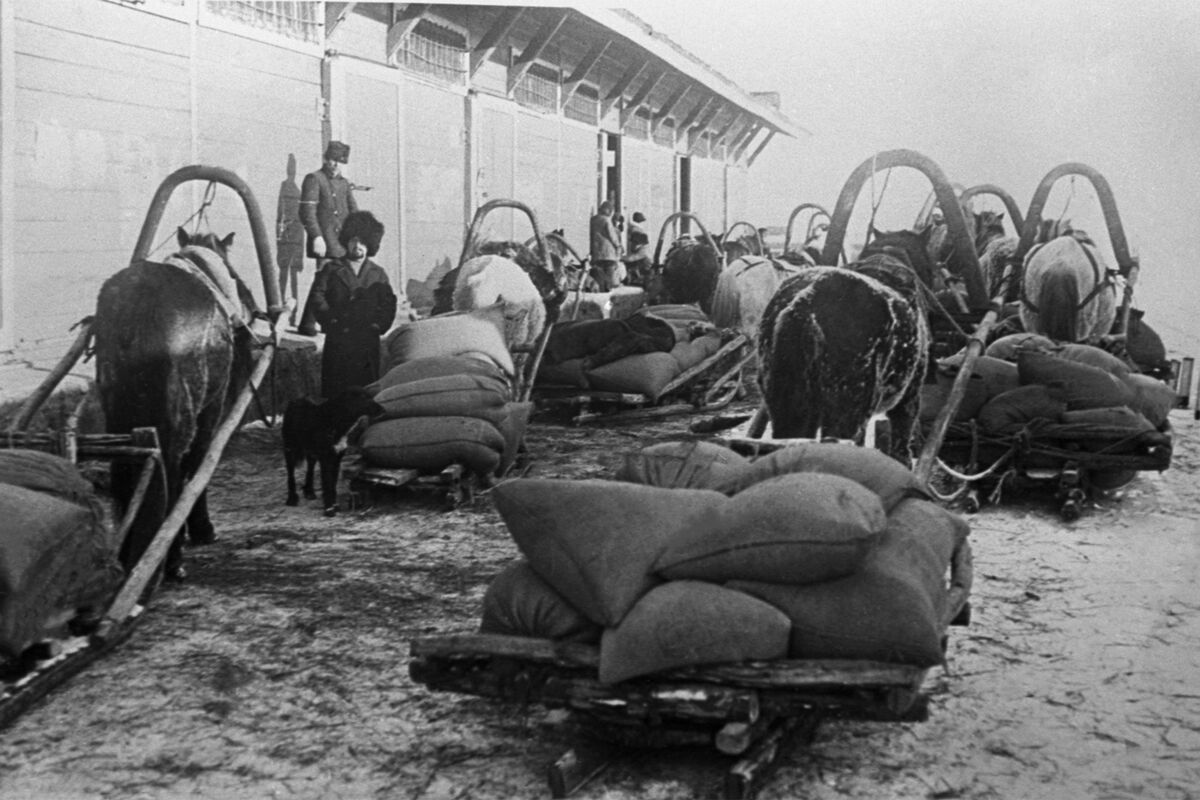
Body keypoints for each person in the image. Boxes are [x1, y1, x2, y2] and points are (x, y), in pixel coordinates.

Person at [308, 210, 397, 398]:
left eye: (363, 242)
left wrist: (378, 325)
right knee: (336, 391)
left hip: (367, 341)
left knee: (365, 391)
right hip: (339, 338)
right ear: (346, 241)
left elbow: (388, 303)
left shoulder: (378, 274)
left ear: (371, 244)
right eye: (353, 241)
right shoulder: (331, 269)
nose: (357, 246)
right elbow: (317, 297)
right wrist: (330, 320)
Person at [297, 140, 358, 335]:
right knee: (322, 282)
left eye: (339, 161)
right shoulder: (314, 179)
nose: (335, 164)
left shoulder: (344, 184)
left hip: (342, 242)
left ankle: (328, 322)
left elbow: (353, 211)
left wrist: (358, 234)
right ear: (326, 159)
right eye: (332, 160)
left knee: (338, 282)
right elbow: (306, 212)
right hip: (325, 240)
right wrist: (316, 236)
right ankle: (307, 323)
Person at [275, 154, 305, 326]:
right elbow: (280, 212)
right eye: (289, 167)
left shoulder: (298, 191)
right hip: (285, 235)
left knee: (293, 276)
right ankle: (280, 309)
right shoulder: (284, 187)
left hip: (295, 235)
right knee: (283, 275)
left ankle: (294, 314)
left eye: (293, 168)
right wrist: (279, 233)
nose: (291, 171)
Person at [589, 200, 622, 291]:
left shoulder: (593, 220)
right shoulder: (606, 220)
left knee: (599, 274)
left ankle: (600, 289)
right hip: (608, 253)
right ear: (609, 211)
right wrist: (618, 246)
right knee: (609, 274)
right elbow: (612, 236)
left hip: (596, 252)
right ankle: (607, 290)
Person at [622, 211, 652, 287]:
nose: (632, 244)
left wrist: (620, 258)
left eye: (634, 242)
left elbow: (632, 258)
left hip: (646, 272)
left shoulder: (643, 250)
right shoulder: (638, 230)